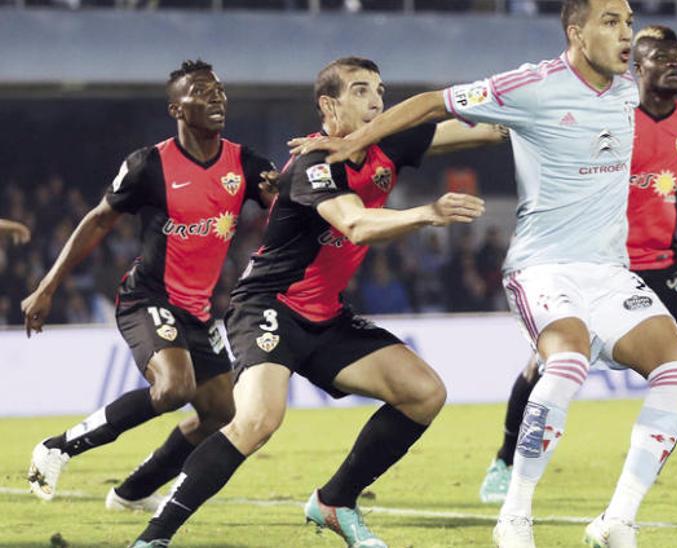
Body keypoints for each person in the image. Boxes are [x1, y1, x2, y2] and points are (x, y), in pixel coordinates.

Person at [297, 2, 677, 546]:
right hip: (543, 267)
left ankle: (616, 521)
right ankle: (514, 517)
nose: (626, 33)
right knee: (568, 360)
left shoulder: (629, 90)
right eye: (611, 22)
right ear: (577, 34)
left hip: (608, 270)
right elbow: (429, 104)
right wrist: (352, 143)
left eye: (628, 21)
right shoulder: (532, 84)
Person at [130, 56, 493, 547]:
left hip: (325, 316)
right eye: (361, 91)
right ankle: (155, 536)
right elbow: (356, 223)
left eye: (380, 91)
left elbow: (486, 130)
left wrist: (545, 102)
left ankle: (335, 502)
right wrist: (428, 212)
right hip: (268, 306)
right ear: (329, 104)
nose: (377, 101)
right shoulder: (313, 162)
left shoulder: (388, 144)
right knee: (257, 421)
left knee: (424, 392)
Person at [477, 24, 677, 505]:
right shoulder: (608, 109)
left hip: (665, 262)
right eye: (663, 58)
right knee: (545, 366)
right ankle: (505, 459)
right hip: (597, 262)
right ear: (637, 66)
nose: (676, 64)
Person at [23, 60, 278, 513]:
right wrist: (47, 285)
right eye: (202, 91)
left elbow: (288, 208)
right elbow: (99, 220)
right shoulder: (149, 165)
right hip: (148, 299)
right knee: (175, 388)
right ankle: (58, 447)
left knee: (222, 411)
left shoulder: (247, 164)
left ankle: (132, 493)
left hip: (198, 312)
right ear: (176, 109)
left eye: (219, 89)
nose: (216, 97)